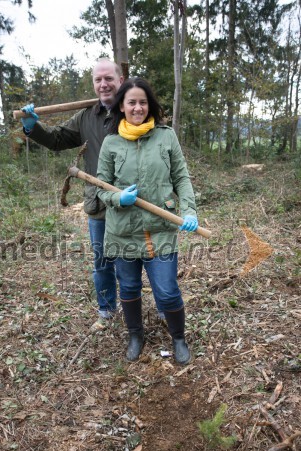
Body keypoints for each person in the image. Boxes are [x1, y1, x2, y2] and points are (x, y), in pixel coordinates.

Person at [96, 77, 198, 364]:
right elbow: (100, 185)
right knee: (128, 287)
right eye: (131, 102)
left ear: (149, 105)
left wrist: (189, 210)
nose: (137, 107)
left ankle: (178, 338)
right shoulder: (111, 142)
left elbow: (181, 177)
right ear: (122, 106)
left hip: (161, 229)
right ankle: (135, 335)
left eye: (142, 102)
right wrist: (117, 199)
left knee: (167, 290)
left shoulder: (166, 136)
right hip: (122, 231)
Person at [20, 59, 124, 331]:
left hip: (129, 200)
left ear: (120, 80)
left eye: (109, 78)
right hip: (98, 201)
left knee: (132, 259)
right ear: (93, 84)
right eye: (98, 80)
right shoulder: (86, 116)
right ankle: (107, 310)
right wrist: (33, 126)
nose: (103, 84)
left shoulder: (132, 109)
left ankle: (135, 308)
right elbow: (57, 140)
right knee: (102, 260)